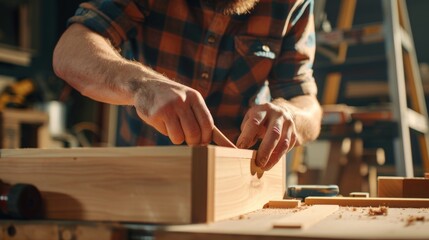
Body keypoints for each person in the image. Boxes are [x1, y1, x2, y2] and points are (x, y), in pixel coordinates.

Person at [53, 0, 322, 171]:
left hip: (242, 188)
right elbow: (69, 51)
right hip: (145, 182)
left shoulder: (292, 3)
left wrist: (290, 115)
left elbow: (307, 105)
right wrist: (142, 85)